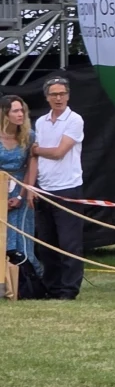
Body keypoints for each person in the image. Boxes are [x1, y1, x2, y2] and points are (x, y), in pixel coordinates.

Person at [32, 75, 85, 300]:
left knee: (69, 243)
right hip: (44, 188)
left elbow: (58, 152)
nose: (59, 98)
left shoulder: (75, 120)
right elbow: (42, 156)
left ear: (68, 95)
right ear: (47, 97)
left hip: (68, 189)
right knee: (46, 244)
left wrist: (36, 150)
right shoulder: (41, 122)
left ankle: (69, 289)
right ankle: (51, 287)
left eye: (62, 94)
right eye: (54, 94)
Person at [0, 95, 39, 274]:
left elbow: (31, 165)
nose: (20, 114)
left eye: (22, 110)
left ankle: (25, 279)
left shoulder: (28, 136)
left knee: (21, 235)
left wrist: (21, 195)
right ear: (5, 114)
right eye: (15, 110)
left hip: (20, 188)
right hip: (1, 187)